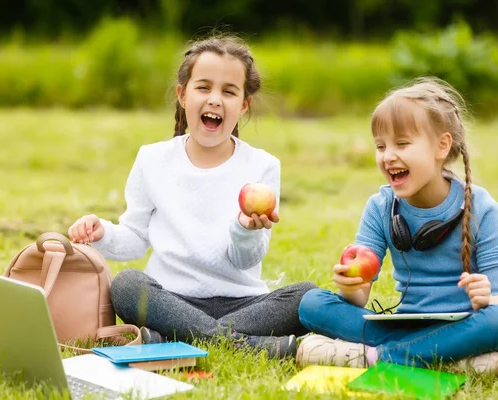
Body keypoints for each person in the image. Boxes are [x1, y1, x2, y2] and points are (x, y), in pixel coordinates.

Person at [68, 35, 316, 359]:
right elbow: (135, 237)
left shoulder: (263, 166)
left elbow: (247, 260)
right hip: (171, 300)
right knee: (127, 285)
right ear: (183, 95)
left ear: (243, 105)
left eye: (228, 91)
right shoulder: (152, 159)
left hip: (244, 303)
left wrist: (245, 230)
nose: (215, 99)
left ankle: (175, 339)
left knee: (309, 297)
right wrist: (102, 232)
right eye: (204, 87)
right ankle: (247, 346)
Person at [296, 77, 498, 374]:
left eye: (402, 143)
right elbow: (359, 297)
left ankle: (375, 357)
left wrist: (486, 297)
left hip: (464, 324)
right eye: (380, 146)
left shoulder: (481, 207)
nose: (388, 156)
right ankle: (442, 357)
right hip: (404, 325)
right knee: (311, 302)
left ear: (442, 146)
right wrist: (351, 286)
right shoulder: (380, 206)